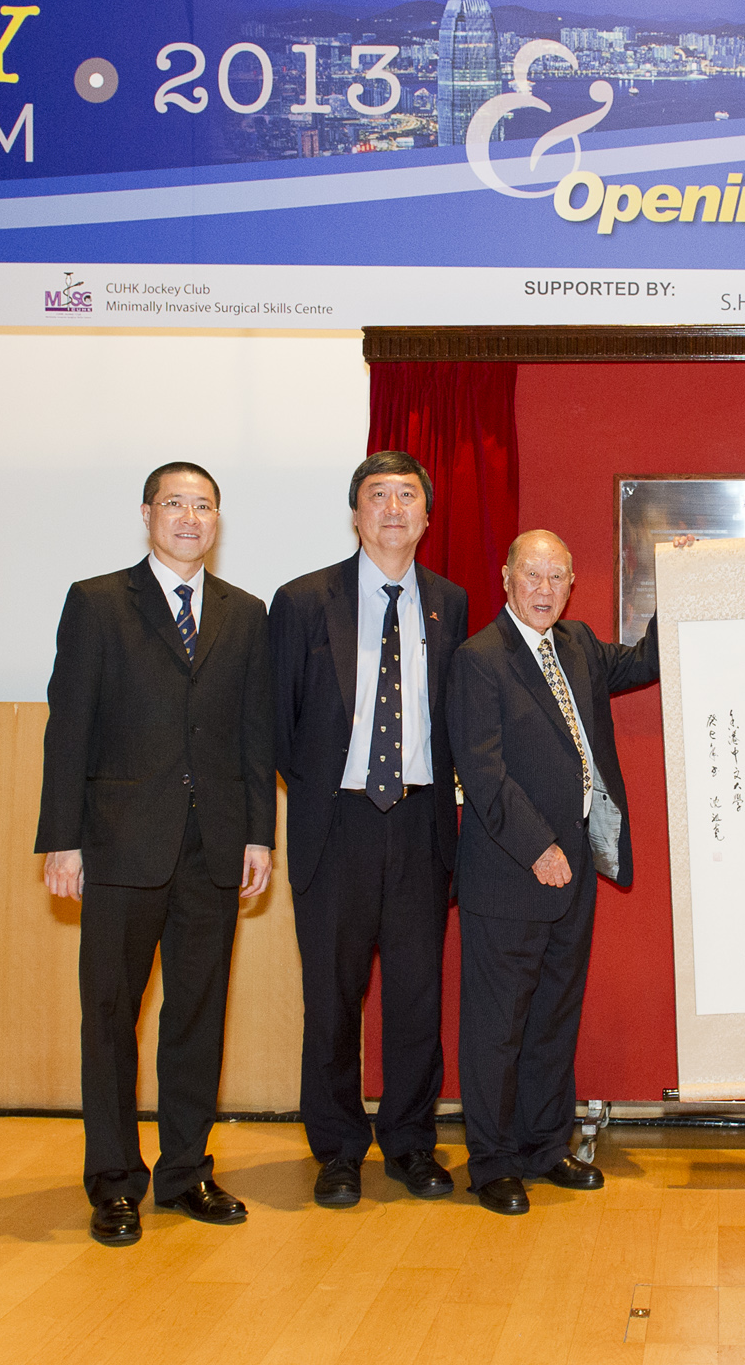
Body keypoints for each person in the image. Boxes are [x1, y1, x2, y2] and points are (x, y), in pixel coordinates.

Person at [36, 461, 275, 1247]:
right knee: (110, 1019)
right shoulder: (98, 602)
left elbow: (253, 734)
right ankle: (113, 1181)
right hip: (117, 848)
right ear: (146, 514)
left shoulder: (245, 614)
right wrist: (61, 840)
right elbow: (68, 726)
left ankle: (184, 1173)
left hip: (212, 851)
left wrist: (258, 835)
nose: (190, 517)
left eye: (204, 506)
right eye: (175, 503)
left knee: (197, 1019)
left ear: (218, 520)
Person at [270, 451, 468, 1208]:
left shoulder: (450, 600)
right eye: (377, 496)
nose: (393, 508)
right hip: (337, 822)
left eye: (407, 496)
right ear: (355, 515)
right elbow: (279, 727)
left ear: (426, 515)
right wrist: (328, 790)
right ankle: (338, 1149)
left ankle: (412, 1143)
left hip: (420, 822)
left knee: (417, 998)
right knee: (333, 998)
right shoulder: (301, 601)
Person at [447, 530, 660, 1215]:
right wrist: (538, 845)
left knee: (552, 1018)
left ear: (572, 583)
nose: (543, 589)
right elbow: (482, 772)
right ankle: (492, 1162)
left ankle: (545, 1146)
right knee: (497, 1026)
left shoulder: (579, 646)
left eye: (556, 577)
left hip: (576, 873)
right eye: (531, 575)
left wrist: (677, 573)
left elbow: (651, 659)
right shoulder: (479, 659)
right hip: (512, 871)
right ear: (506, 576)